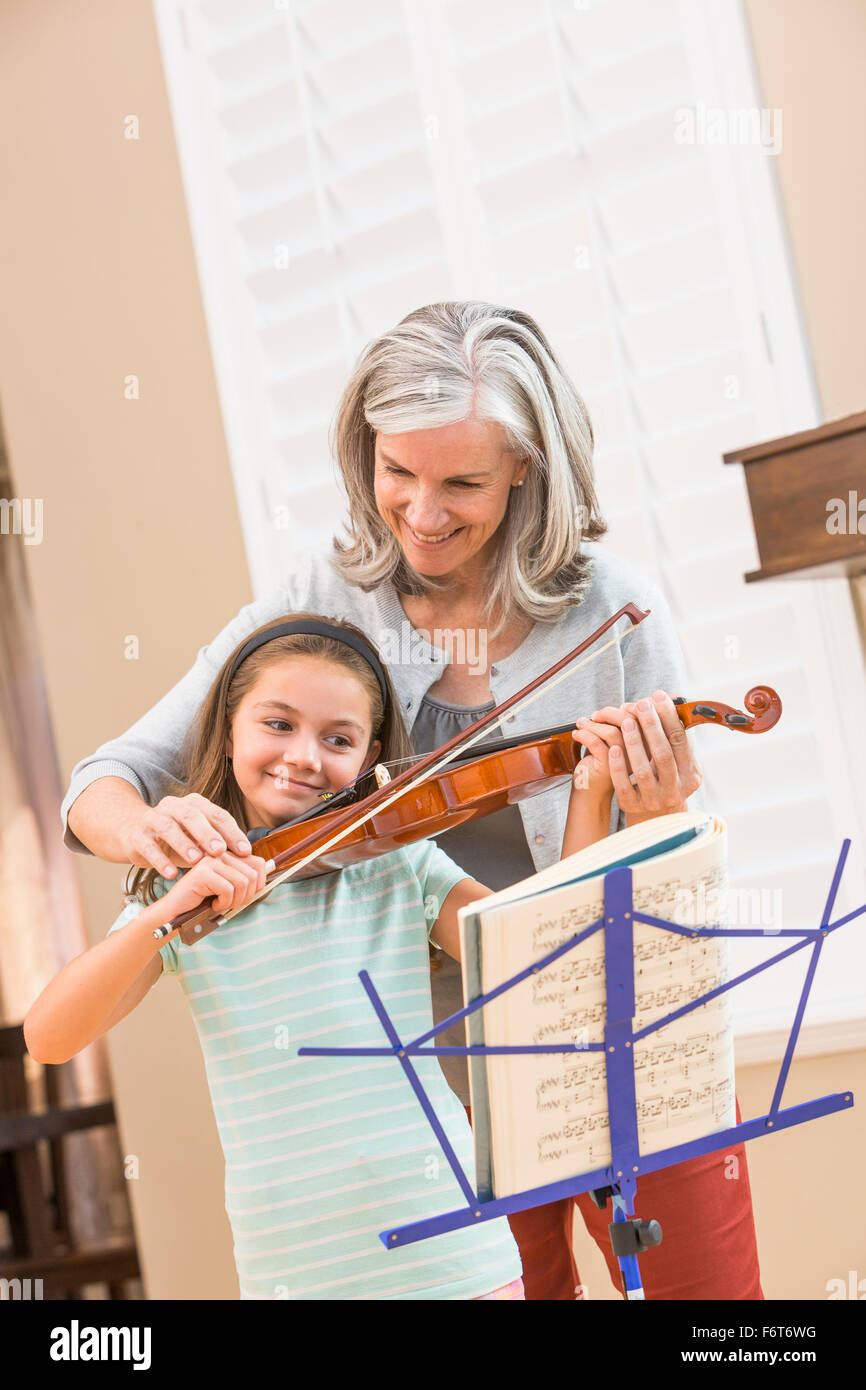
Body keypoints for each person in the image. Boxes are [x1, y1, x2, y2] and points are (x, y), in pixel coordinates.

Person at [60, 301, 762, 1299]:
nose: (422, 512)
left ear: (525, 464)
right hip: (437, 1084)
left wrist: (654, 815)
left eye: (461, 481)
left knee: (715, 1315)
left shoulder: (613, 608)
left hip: (616, 1030)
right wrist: (149, 827)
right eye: (397, 472)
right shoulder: (320, 592)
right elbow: (103, 782)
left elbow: (669, 878)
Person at [28, 613, 618, 1300]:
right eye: (277, 724)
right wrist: (165, 911)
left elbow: (551, 961)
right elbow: (49, 1038)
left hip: (456, 1262)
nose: (304, 756)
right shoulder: (184, 900)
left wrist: (590, 792)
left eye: (337, 738)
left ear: (369, 762)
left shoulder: (401, 867)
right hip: (295, 1276)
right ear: (227, 729)